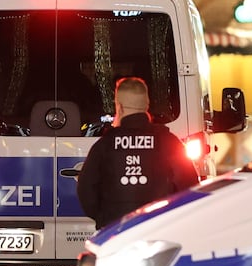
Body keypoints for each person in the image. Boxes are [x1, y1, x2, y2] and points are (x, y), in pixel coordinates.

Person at [75, 77, 200, 230]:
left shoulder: (105, 145)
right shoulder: (169, 142)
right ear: (147, 105)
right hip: (158, 231)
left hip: (115, 233)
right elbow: (189, 185)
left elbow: (86, 190)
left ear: (119, 107)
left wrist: (105, 218)